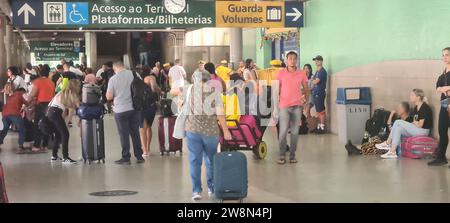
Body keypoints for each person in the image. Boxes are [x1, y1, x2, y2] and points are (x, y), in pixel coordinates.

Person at [185, 70, 232, 201]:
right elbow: (220, 114)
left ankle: (196, 191)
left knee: (194, 160)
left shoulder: (189, 90)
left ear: (194, 78)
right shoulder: (215, 92)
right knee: (211, 160)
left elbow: (182, 106)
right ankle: (211, 187)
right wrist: (226, 131)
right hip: (211, 133)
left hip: (193, 130)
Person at [274, 51, 310, 164]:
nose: (292, 61)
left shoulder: (301, 73)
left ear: (297, 60)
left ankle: (292, 155)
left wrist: (306, 102)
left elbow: (306, 88)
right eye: (290, 58)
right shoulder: (280, 73)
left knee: (294, 132)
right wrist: (275, 106)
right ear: (286, 60)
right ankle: (281, 155)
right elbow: (276, 90)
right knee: (283, 131)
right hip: (284, 106)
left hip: (297, 107)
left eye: (294, 58)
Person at [106, 61, 145, 165]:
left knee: (124, 134)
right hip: (134, 108)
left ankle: (126, 157)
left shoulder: (113, 79)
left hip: (120, 110)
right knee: (135, 132)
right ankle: (139, 156)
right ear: (123, 66)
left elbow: (109, 97)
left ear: (114, 69)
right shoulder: (134, 74)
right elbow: (141, 87)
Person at [376, 89, 433, 159]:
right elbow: (415, 122)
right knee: (398, 128)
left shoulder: (424, 107)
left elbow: (420, 125)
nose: (410, 97)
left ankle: (388, 143)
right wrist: (415, 123)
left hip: (423, 131)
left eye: (412, 95)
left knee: (397, 122)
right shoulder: (416, 107)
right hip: (417, 129)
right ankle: (392, 151)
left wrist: (415, 123)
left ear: (418, 97)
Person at [47, 79, 81, 164]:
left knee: (58, 134)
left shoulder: (63, 92)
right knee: (65, 134)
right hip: (55, 112)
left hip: (50, 111)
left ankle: (54, 155)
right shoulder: (70, 94)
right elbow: (76, 106)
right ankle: (66, 157)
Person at [428, 47, 450, 166]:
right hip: (444, 105)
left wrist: (447, 88)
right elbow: (437, 86)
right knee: (442, 130)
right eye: (443, 55)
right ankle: (441, 157)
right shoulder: (444, 72)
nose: (444, 57)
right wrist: (441, 88)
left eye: (447, 55)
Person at [27, 65, 55, 153]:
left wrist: (26, 104)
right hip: (50, 105)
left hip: (41, 105)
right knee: (46, 124)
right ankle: (45, 145)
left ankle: (36, 145)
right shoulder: (51, 82)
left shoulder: (37, 81)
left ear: (40, 73)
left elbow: (32, 95)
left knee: (37, 125)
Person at [0, 88, 28, 153]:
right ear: (22, 91)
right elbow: (26, 103)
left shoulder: (10, 96)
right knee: (22, 129)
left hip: (5, 114)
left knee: (5, 129)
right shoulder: (21, 94)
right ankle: (20, 146)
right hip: (15, 113)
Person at [140, 73, 161, 157]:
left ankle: (144, 151)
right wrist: (160, 90)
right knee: (148, 127)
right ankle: (148, 148)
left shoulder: (139, 79)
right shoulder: (151, 77)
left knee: (142, 129)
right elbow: (153, 88)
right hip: (151, 106)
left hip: (142, 106)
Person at [311, 55, 328, 134]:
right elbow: (313, 81)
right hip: (315, 92)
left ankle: (322, 127)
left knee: (321, 111)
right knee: (318, 111)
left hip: (319, 93)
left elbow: (315, 81)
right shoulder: (317, 71)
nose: (316, 62)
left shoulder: (322, 71)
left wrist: (313, 80)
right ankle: (318, 126)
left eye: (318, 60)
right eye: (315, 60)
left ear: (321, 61)